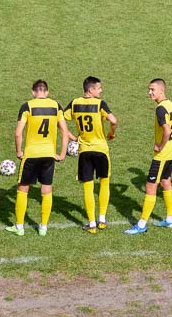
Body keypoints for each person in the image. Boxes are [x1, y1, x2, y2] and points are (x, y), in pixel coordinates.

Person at [6, 80, 69, 237]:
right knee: (46, 189)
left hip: (31, 154)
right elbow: (65, 132)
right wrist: (61, 154)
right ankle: (43, 227)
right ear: (46, 92)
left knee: (23, 188)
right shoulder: (56, 106)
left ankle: (19, 226)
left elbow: (18, 133)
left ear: (33, 92)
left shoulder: (27, 106)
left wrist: (19, 151)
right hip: (49, 154)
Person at [125, 79, 172, 234]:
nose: (149, 92)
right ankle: (170, 219)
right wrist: (171, 133)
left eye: (152, 89)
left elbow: (165, 130)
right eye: (149, 89)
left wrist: (160, 145)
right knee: (166, 182)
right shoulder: (169, 104)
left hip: (163, 154)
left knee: (151, 186)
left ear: (161, 91)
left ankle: (141, 224)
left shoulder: (160, 109)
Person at [63, 77, 118, 234]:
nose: (101, 90)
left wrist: (71, 136)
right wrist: (111, 133)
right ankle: (102, 219)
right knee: (104, 183)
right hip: (101, 150)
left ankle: (92, 224)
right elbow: (113, 121)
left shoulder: (75, 103)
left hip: (84, 151)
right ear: (90, 90)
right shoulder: (100, 104)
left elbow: (59, 119)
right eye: (99, 88)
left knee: (88, 186)